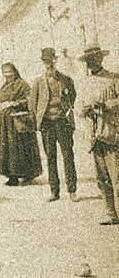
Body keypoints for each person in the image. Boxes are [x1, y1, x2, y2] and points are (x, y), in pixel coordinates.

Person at [29, 47, 77, 202]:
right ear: (43, 62)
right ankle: (54, 191)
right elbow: (32, 104)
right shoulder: (38, 82)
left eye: (52, 61)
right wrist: (38, 121)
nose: (49, 65)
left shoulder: (66, 79)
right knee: (51, 157)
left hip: (63, 122)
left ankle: (72, 190)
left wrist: (64, 111)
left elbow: (73, 97)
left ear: (55, 61)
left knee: (68, 155)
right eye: (46, 62)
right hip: (47, 124)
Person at [78, 45, 119, 225]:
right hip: (95, 137)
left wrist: (105, 105)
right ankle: (111, 215)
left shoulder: (113, 79)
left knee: (117, 177)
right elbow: (78, 109)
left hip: (111, 133)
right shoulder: (85, 83)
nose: (91, 63)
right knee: (102, 179)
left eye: (94, 59)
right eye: (88, 60)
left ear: (100, 59)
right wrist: (84, 110)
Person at [0, 63, 42, 186]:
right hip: (4, 124)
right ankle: (11, 176)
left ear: (15, 71)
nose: (8, 75)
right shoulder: (4, 86)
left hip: (17, 121)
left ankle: (27, 174)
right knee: (6, 149)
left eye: (10, 72)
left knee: (18, 148)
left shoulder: (22, 84)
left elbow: (30, 99)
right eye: (5, 73)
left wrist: (15, 103)